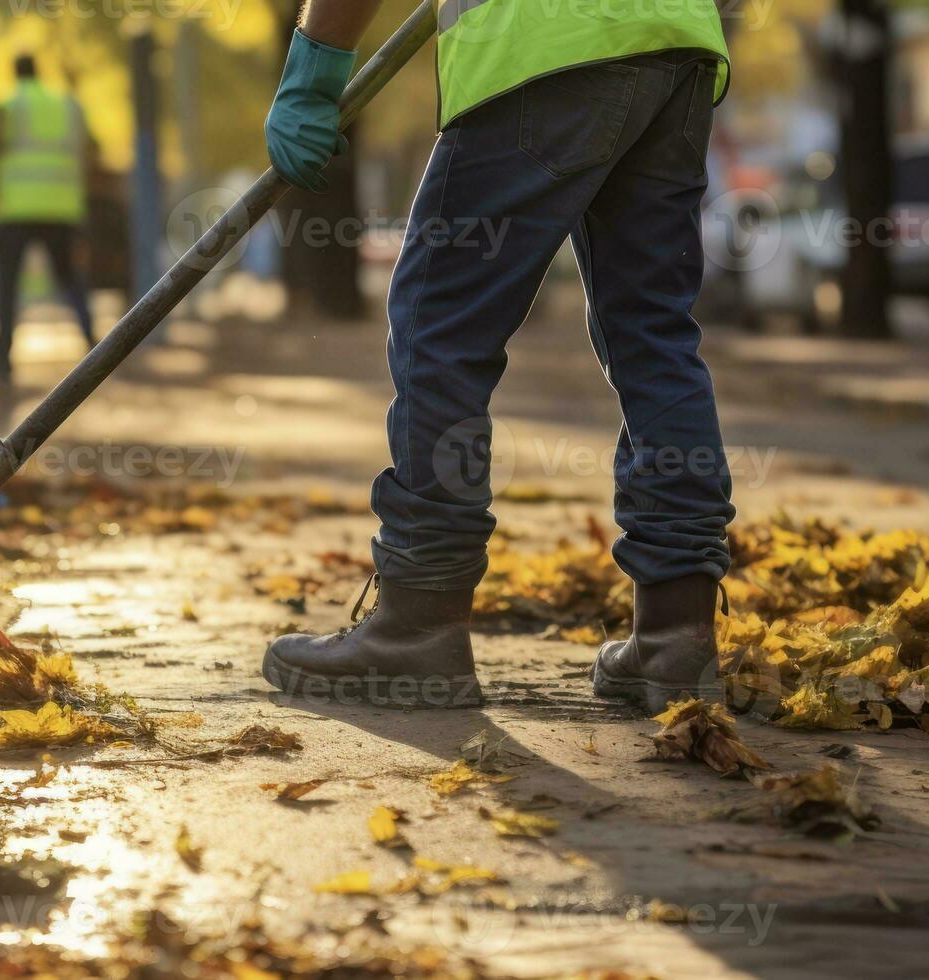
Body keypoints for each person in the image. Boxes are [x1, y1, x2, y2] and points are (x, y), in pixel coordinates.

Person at [260, 1, 734, 713]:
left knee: (440, 324)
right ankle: (676, 634)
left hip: (538, 40)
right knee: (653, 330)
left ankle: (417, 625)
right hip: (677, 42)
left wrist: (314, 63)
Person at [0, 54, 97, 384]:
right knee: (70, 280)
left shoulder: (8, 106)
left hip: (15, 211)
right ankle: (93, 344)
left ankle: (2, 358)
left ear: (14, 72)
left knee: (7, 285)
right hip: (62, 210)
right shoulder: (65, 107)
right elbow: (87, 154)